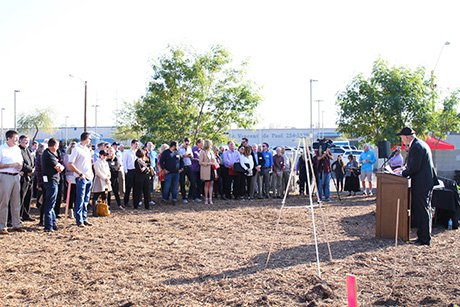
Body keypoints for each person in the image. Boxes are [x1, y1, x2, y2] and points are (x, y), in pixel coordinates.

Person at [395, 127, 438, 246]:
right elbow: (413, 165)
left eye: (402, 137)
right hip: (425, 181)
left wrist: (401, 173)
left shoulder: (416, 147)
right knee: (424, 208)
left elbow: (415, 168)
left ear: (407, 137)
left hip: (422, 183)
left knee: (422, 209)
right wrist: (403, 169)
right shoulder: (419, 144)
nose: (402, 140)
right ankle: (423, 236)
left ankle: (424, 239)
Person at [0, 130, 26, 234]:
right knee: (4, 202)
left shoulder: (17, 149)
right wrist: (10, 165)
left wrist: (19, 166)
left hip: (16, 177)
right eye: (15, 138)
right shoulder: (2, 149)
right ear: (8, 139)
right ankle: (2, 226)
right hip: (5, 176)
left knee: (16, 202)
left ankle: (16, 224)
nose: (17, 140)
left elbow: (21, 161)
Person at [68, 132, 94, 227]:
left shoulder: (87, 150)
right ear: (86, 139)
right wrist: (80, 173)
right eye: (90, 139)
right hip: (81, 177)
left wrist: (91, 174)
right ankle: (79, 220)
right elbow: (70, 163)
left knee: (86, 199)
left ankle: (84, 217)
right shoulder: (76, 149)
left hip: (89, 177)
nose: (90, 140)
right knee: (80, 198)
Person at [41, 138, 65, 232]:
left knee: (52, 203)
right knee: (50, 204)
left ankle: (53, 223)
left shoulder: (51, 154)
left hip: (54, 181)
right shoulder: (48, 154)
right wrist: (61, 167)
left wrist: (60, 166)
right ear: (54, 146)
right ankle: (48, 226)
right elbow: (59, 168)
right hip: (51, 181)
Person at [19, 135, 35, 221]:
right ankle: (18, 215)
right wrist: (29, 169)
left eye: (28, 140)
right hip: (23, 177)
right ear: (20, 141)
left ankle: (26, 214)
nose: (26, 142)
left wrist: (32, 169)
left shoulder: (28, 150)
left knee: (28, 197)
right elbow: (21, 163)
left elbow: (33, 162)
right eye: (25, 140)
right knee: (21, 197)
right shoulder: (19, 150)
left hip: (30, 177)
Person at [91, 149, 111, 216]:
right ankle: (94, 211)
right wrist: (105, 178)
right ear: (100, 155)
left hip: (105, 180)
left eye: (105, 155)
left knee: (104, 195)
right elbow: (98, 172)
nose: (105, 157)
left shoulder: (105, 163)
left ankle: (104, 210)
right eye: (103, 155)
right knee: (96, 196)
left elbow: (108, 171)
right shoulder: (97, 162)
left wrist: (108, 177)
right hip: (99, 180)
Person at [122, 139, 140, 207]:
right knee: (128, 187)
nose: (137, 146)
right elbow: (124, 162)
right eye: (136, 144)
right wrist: (126, 171)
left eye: (137, 144)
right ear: (132, 144)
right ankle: (126, 201)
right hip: (130, 171)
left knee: (136, 187)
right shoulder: (127, 152)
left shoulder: (138, 152)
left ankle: (135, 202)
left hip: (137, 171)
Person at [199, 140, 217, 204]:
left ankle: (210, 198)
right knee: (206, 184)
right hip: (206, 169)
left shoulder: (211, 152)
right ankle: (206, 198)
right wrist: (208, 163)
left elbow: (214, 160)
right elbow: (200, 162)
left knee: (211, 184)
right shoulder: (202, 152)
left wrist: (214, 161)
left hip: (212, 169)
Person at [178, 137, 195, 203]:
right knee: (182, 182)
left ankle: (191, 196)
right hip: (183, 166)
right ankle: (184, 197)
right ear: (184, 142)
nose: (187, 145)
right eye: (186, 144)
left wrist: (190, 156)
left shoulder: (189, 148)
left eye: (188, 144)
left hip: (189, 165)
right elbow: (178, 157)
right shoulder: (179, 148)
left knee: (193, 181)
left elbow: (192, 157)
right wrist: (183, 155)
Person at [63, 142, 77, 218]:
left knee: (76, 194)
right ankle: (70, 209)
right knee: (70, 193)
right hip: (70, 177)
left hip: (76, 176)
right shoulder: (67, 156)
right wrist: (76, 169)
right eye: (73, 147)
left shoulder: (77, 156)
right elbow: (68, 167)